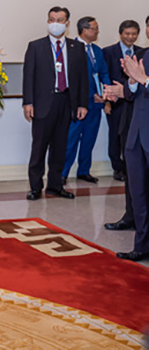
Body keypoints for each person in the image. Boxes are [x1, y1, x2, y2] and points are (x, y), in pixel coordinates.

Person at [22, 6, 88, 201]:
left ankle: (55, 185)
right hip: (43, 104)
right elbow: (28, 77)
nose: (55, 23)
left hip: (66, 102)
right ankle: (35, 187)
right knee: (39, 148)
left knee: (60, 148)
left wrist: (82, 104)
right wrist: (28, 102)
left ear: (67, 24)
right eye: (52, 19)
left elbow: (83, 78)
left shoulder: (77, 48)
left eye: (60, 20)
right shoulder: (36, 46)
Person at [103, 19, 144, 232]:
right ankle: (131, 217)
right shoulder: (143, 55)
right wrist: (123, 90)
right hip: (131, 122)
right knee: (132, 175)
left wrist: (141, 79)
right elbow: (133, 89)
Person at [61, 17, 110, 184]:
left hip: (96, 105)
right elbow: (75, 79)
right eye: (94, 29)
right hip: (78, 104)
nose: (97, 32)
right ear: (84, 30)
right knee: (71, 140)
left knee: (89, 139)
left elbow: (103, 74)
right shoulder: (71, 48)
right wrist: (91, 95)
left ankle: (84, 171)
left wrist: (106, 94)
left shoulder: (97, 50)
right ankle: (63, 173)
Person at [111, 53, 149, 262]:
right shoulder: (146, 55)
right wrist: (131, 84)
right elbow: (137, 93)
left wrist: (143, 79)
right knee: (139, 195)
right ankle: (142, 246)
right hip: (137, 136)